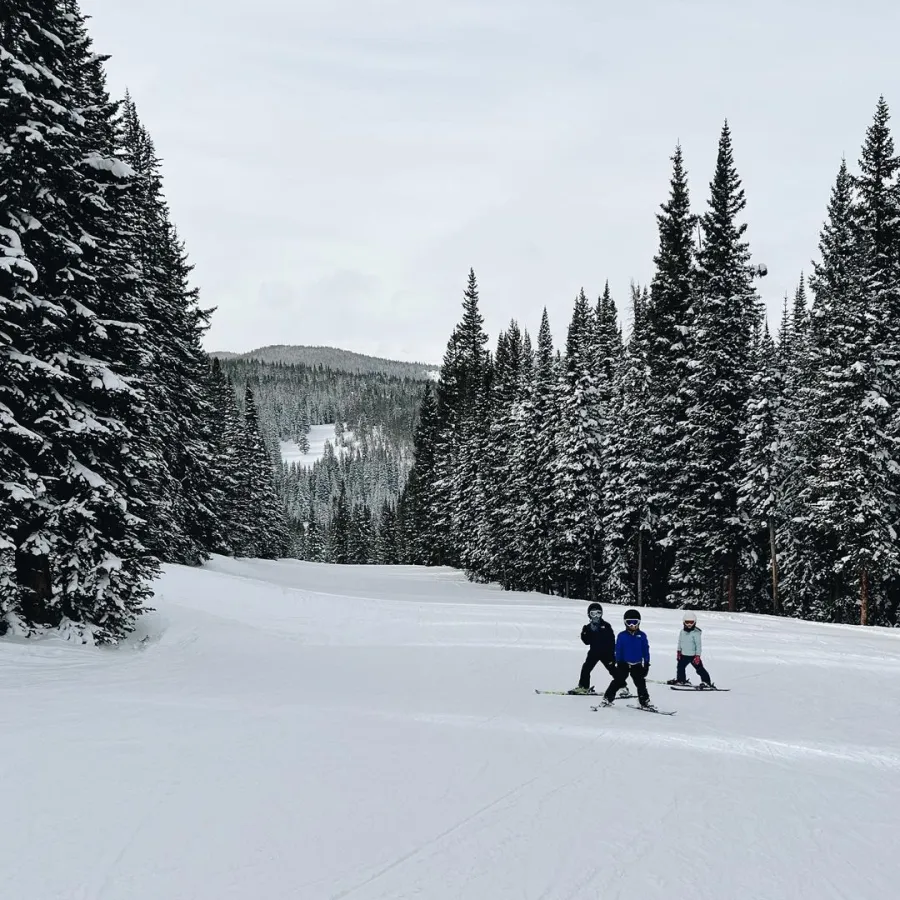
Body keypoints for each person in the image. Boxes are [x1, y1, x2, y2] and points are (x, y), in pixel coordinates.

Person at [599, 609, 653, 708]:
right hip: (623, 663)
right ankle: (607, 698)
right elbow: (618, 649)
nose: (632, 625)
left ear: (639, 622)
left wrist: (646, 663)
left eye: (634, 622)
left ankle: (644, 701)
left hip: (637, 664)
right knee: (618, 681)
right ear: (625, 623)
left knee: (640, 683)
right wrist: (618, 661)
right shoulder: (622, 636)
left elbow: (646, 650)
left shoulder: (642, 636)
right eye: (629, 622)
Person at [569, 602, 616, 694]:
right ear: (589, 615)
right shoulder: (588, 627)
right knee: (586, 668)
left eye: (598, 613)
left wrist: (612, 654)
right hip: (593, 652)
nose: (596, 616)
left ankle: (622, 687)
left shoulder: (606, 625)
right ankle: (583, 686)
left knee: (612, 669)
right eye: (593, 614)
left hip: (606, 653)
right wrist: (584, 633)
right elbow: (587, 642)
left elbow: (612, 641)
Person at [666, 611, 716, 688]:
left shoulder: (696, 633)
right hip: (683, 655)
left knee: (700, 669)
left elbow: (698, 645)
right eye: (687, 622)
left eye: (691, 622)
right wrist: (679, 651)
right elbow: (680, 642)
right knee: (680, 668)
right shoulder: (682, 632)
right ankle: (681, 680)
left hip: (693, 657)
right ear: (684, 622)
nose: (689, 624)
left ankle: (706, 682)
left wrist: (698, 656)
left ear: (694, 622)